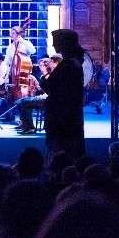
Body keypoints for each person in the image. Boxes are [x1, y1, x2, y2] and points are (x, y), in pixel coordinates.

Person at [39, 29, 86, 159]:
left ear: (64, 44)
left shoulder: (67, 64)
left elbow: (50, 87)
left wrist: (45, 74)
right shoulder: (76, 61)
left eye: (56, 43)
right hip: (71, 114)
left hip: (61, 117)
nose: (54, 45)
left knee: (59, 153)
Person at [15, 57, 52, 134]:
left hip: (49, 99)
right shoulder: (43, 76)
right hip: (44, 97)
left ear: (47, 66)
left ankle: (29, 127)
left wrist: (37, 89)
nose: (40, 67)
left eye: (42, 65)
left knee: (24, 102)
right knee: (19, 102)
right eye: (40, 65)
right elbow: (42, 88)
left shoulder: (50, 75)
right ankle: (25, 125)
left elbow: (49, 89)